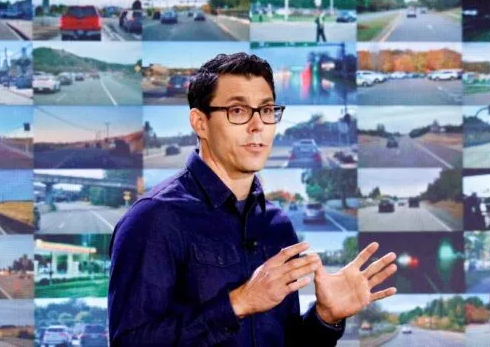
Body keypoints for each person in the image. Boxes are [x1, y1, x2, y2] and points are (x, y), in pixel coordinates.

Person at [108, 53, 398, 346]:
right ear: (200, 122)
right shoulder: (154, 219)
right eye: (238, 110)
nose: (258, 125)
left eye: (267, 110)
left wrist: (325, 318)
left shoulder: (278, 226)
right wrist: (238, 303)